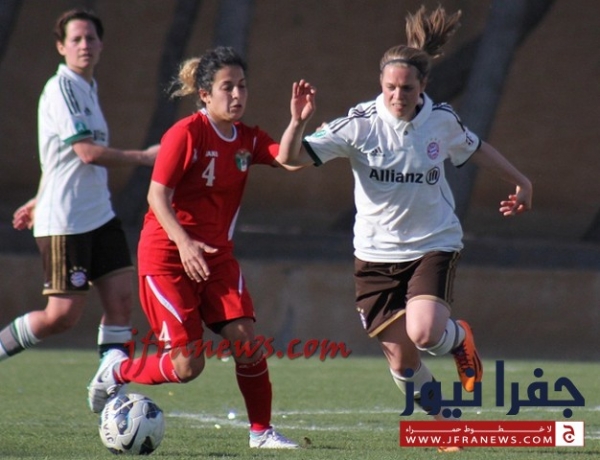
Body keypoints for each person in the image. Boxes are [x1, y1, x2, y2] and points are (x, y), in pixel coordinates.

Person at [276, 5, 532, 451]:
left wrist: (521, 180)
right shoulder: (360, 125)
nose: (398, 95)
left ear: (423, 86)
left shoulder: (441, 120)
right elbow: (290, 159)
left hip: (433, 244)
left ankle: (458, 338)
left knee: (425, 332)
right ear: (381, 84)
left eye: (407, 88)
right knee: (401, 359)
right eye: (390, 87)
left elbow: (476, 148)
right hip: (374, 256)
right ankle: (445, 424)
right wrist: (297, 122)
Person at [87, 46, 316, 449]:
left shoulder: (247, 138)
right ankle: (118, 371)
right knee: (188, 366)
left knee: (247, 340)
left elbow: (289, 159)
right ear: (205, 94)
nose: (237, 94)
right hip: (167, 258)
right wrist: (185, 243)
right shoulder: (186, 134)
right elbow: (157, 196)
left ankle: (261, 433)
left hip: (216, 259)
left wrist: (297, 122)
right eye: (227, 87)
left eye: (242, 86)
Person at [0, 9, 157, 363]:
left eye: (90, 38)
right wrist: (146, 157)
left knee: (121, 302)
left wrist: (38, 197)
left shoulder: (88, 87)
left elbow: (57, 155)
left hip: (99, 213)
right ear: (61, 47)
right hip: (67, 220)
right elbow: (86, 153)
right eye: (76, 39)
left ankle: (110, 387)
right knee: (61, 316)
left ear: (101, 45)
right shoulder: (62, 88)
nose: (84, 45)